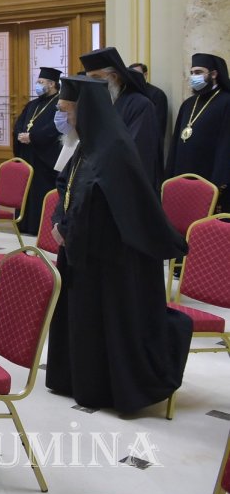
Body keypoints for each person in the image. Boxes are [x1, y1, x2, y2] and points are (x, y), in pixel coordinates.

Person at [46, 74, 192, 413]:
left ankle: (106, 388)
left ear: (86, 112)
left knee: (105, 323)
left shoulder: (115, 150)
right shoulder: (85, 144)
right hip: (81, 250)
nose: (63, 118)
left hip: (110, 259)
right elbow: (65, 186)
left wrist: (71, 229)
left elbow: (108, 206)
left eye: (67, 111)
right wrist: (59, 222)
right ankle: (74, 379)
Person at [81, 48, 163, 186]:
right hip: (100, 180)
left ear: (113, 77)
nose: (91, 84)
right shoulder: (102, 104)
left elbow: (134, 152)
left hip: (129, 184)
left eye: (96, 78)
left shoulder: (140, 105)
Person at [166, 53, 230, 199]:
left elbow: (226, 145)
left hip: (209, 175)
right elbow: (176, 141)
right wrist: (170, 175)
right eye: (192, 72)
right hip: (183, 173)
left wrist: (218, 181)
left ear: (214, 74)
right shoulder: (188, 104)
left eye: (199, 72)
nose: (194, 76)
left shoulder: (226, 102)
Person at [12, 67, 62, 234]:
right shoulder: (33, 104)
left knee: (40, 192)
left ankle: (39, 227)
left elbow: (56, 128)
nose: (37, 85)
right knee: (25, 190)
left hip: (44, 157)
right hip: (28, 154)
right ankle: (23, 224)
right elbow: (19, 123)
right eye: (38, 82)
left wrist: (33, 137)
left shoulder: (59, 103)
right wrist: (20, 134)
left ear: (52, 84)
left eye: (41, 82)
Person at [129, 62, 170, 149]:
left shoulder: (157, 94)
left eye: (137, 74)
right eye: (131, 74)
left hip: (148, 144)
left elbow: (159, 125)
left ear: (145, 75)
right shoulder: (128, 94)